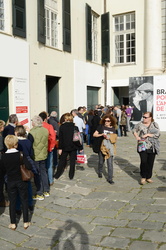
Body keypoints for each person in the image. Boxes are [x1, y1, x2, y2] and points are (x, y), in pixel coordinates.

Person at [1, 135, 31, 230]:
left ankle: (13, 223)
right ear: (16, 144)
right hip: (21, 180)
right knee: (24, 200)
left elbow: (2, 171)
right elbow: (29, 166)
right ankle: (26, 221)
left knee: (12, 202)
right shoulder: (21, 154)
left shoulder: (4, 157)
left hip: (10, 181)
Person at [133, 112, 160, 185]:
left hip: (152, 146)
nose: (144, 118)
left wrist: (148, 134)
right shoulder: (140, 124)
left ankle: (148, 177)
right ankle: (143, 177)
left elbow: (157, 134)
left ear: (150, 118)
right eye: (143, 117)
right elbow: (134, 130)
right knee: (144, 161)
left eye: (145, 117)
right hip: (142, 145)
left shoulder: (155, 124)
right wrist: (137, 137)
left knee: (150, 162)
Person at [54, 113, 83, 180]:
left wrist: (60, 148)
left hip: (64, 146)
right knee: (72, 161)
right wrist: (80, 147)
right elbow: (78, 138)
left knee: (62, 160)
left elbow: (61, 139)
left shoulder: (62, 127)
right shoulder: (75, 127)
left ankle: (57, 174)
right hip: (73, 146)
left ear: (65, 119)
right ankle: (71, 175)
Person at [28, 116, 49, 200]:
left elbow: (30, 145)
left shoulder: (32, 132)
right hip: (43, 154)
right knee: (43, 172)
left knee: (37, 174)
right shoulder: (45, 130)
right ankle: (46, 190)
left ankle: (39, 193)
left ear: (34, 123)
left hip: (36, 155)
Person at [14, 125, 35, 212]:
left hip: (19, 164)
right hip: (27, 163)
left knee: (18, 187)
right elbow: (30, 153)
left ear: (17, 132)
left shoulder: (16, 142)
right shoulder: (28, 141)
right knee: (28, 184)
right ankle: (30, 203)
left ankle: (18, 207)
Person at [93, 115, 117, 184]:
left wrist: (110, 138)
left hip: (110, 148)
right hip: (102, 147)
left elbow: (115, 138)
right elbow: (94, 134)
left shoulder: (113, 129)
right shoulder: (101, 127)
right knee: (101, 161)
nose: (106, 122)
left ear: (111, 122)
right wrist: (101, 135)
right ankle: (100, 171)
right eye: (105, 121)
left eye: (108, 121)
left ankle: (110, 178)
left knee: (110, 163)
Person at [39, 112, 56, 186]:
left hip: (40, 149)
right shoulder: (49, 126)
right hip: (48, 147)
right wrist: (52, 146)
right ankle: (50, 180)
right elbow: (53, 137)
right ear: (45, 118)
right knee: (49, 165)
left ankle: (43, 180)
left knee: (41, 166)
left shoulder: (37, 127)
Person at [0, 120, 9, 207]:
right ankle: (2, 200)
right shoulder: (0, 138)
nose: (4, 128)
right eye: (2, 127)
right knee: (1, 180)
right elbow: (2, 148)